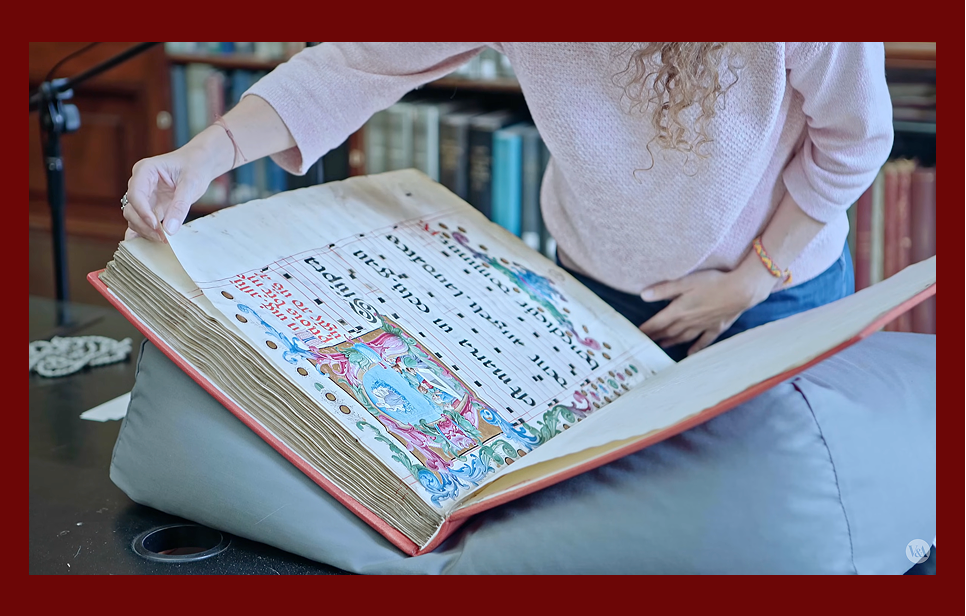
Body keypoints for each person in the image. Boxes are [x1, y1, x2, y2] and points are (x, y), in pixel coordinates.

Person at [121, 43, 893, 361]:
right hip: (595, 289)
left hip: (774, 287)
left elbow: (856, 139)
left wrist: (755, 277)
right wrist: (204, 155)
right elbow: (355, 63)